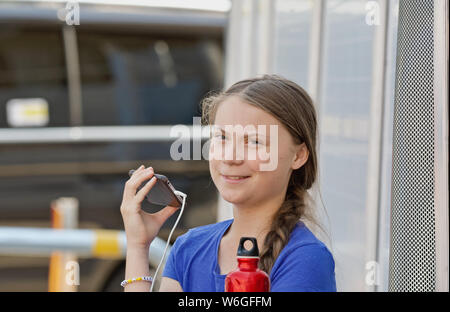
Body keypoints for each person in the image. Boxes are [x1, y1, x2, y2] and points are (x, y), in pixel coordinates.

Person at [120, 74, 336, 292]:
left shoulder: (305, 259)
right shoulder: (189, 248)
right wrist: (139, 246)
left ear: (298, 156)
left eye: (254, 141)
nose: (231, 157)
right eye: (222, 138)